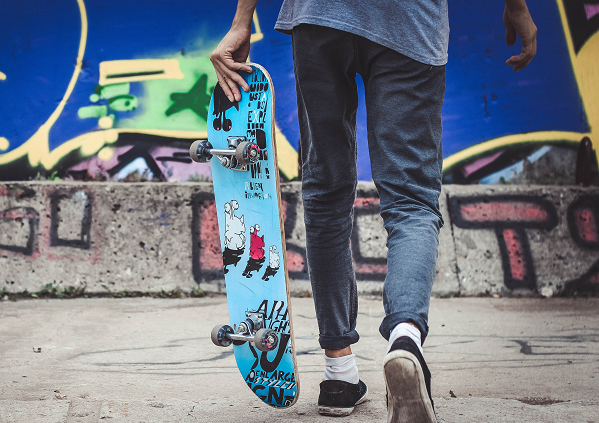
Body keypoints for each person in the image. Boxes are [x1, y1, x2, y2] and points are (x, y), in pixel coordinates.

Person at [211, 0, 536, 421]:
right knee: (412, 199)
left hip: (320, 16)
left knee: (326, 193)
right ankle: (405, 339)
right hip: (411, 22)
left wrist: (241, 22)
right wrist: (517, 7)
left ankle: (339, 374)